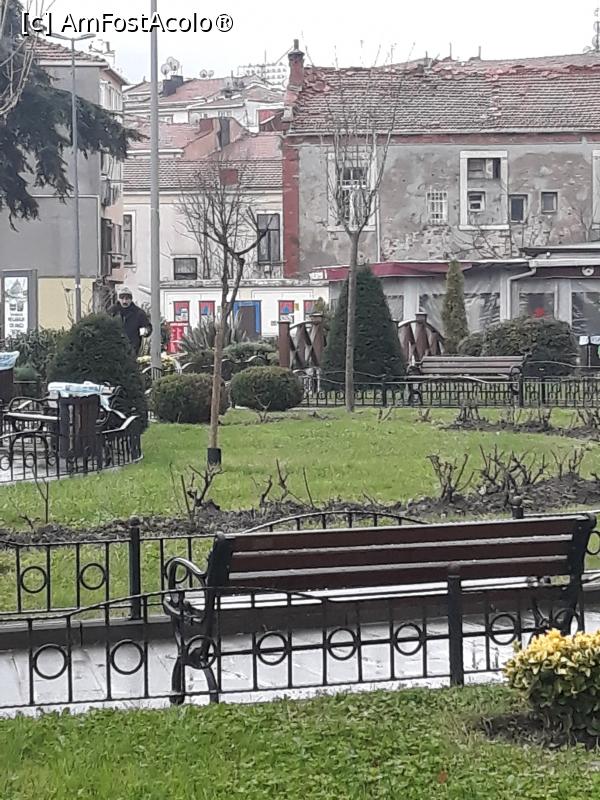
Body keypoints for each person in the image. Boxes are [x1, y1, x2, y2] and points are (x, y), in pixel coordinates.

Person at [109, 287, 152, 355]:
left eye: (127, 299)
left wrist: (145, 331)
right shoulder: (112, 311)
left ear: (131, 299)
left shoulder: (138, 313)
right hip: (115, 348)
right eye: (122, 298)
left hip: (132, 347)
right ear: (119, 299)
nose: (124, 301)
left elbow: (147, 327)